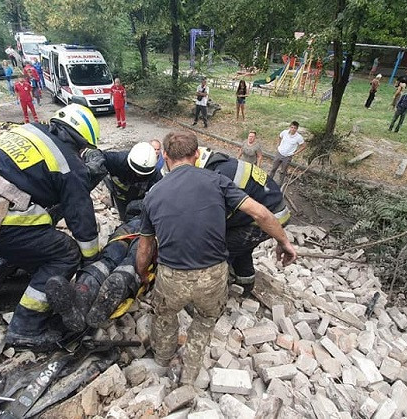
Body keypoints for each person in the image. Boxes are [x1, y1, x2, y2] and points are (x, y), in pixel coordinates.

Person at [136, 131, 297, 384]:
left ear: (164, 156)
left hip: (172, 277)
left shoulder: (154, 194)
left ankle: (162, 360)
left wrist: (144, 274)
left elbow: (144, 249)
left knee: (165, 317)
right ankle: (189, 375)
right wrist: (283, 241)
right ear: (197, 154)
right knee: (205, 320)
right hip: (213, 277)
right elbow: (262, 214)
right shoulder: (217, 181)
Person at [0, 104, 102, 350]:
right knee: (65, 252)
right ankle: (25, 328)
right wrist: (90, 258)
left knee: (37, 237)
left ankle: (36, 276)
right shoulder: (69, 165)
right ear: (80, 142)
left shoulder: (30, 131)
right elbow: (80, 218)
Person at [197, 147, 290, 295]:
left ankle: (212, 291)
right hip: (274, 210)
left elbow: (220, 216)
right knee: (243, 248)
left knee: (220, 249)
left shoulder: (221, 175)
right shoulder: (228, 164)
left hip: (268, 218)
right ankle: (245, 285)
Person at [83, 142, 161, 221]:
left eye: (143, 174)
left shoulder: (155, 174)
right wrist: (93, 162)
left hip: (139, 199)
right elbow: (95, 153)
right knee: (124, 218)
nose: (139, 175)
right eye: (137, 171)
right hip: (119, 197)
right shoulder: (118, 160)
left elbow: (163, 193)